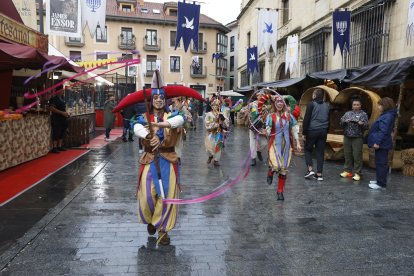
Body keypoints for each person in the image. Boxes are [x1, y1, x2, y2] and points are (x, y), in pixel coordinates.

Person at [131, 71, 186, 245]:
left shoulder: (173, 115)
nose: (159, 100)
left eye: (162, 97)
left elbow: (180, 120)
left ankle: (163, 230)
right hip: (149, 159)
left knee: (167, 196)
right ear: (152, 100)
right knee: (148, 195)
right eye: (156, 97)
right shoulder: (143, 117)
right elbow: (135, 126)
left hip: (168, 160)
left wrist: (159, 125)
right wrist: (148, 136)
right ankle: (152, 219)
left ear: (165, 100)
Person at [262, 94, 301, 200]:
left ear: (284, 104)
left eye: (281, 102)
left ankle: (280, 191)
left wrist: (297, 143)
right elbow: (268, 130)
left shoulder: (289, 116)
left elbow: (294, 129)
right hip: (274, 144)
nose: (279, 103)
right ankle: (270, 171)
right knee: (276, 165)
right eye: (277, 101)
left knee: (283, 168)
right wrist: (266, 132)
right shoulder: (271, 116)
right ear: (274, 104)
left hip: (287, 145)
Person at [367, 97, 397, 189]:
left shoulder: (387, 116)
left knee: (381, 163)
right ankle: (379, 180)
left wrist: (377, 142)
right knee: (380, 162)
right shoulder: (386, 114)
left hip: (382, 144)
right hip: (382, 143)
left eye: (380, 105)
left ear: (385, 105)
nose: (379, 107)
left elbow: (383, 131)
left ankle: (381, 184)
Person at [302, 88, 330, 181]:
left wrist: (304, 133)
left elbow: (306, 119)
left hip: (312, 130)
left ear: (314, 95)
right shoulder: (327, 105)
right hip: (323, 131)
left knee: (307, 149)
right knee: (320, 152)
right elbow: (328, 119)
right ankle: (319, 174)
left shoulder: (311, 104)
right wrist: (326, 131)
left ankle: (310, 170)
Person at [339, 97, 369, 181]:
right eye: (354, 104)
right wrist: (344, 121)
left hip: (357, 137)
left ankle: (357, 173)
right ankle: (347, 171)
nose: (356, 106)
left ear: (360, 105)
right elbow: (340, 123)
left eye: (357, 105)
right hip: (347, 136)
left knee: (357, 155)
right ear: (352, 106)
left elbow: (367, 126)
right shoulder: (347, 113)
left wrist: (361, 124)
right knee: (347, 154)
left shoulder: (363, 114)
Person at [204, 99, 229, 166]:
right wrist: (215, 124)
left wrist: (222, 121)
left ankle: (216, 160)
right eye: (213, 106)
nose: (215, 107)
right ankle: (210, 156)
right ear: (211, 106)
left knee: (218, 146)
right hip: (211, 133)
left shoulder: (221, 114)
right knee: (209, 147)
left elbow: (226, 124)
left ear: (218, 106)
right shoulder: (209, 114)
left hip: (219, 133)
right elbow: (206, 123)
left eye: (216, 106)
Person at [49, 85, 70, 153]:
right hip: (56, 118)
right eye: (62, 90)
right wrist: (62, 113)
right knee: (56, 132)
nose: (63, 91)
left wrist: (66, 113)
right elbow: (51, 108)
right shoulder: (54, 99)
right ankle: (54, 147)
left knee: (62, 132)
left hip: (63, 118)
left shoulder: (62, 99)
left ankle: (59, 146)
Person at [248, 93, 267, 166]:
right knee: (252, 142)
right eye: (260, 95)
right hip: (253, 126)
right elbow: (248, 112)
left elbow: (266, 117)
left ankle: (258, 151)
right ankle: (253, 158)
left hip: (261, 127)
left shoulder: (265, 106)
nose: (262, 97)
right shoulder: (252, 104)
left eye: (263, 96)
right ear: (257, 96)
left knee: (264, 143)